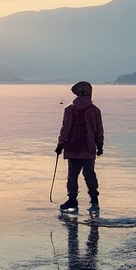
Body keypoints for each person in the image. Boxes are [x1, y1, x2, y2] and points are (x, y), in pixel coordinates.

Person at [56, 81, 104, 214]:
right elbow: (98, 130)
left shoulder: (69, 110)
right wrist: (99, 146)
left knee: (72, 175)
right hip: (88, 148)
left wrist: (61, 144)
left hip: (73, 147)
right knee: (89, 174)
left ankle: (72, 199)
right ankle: (94, 201)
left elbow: (65, 129)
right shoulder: (95, 111)